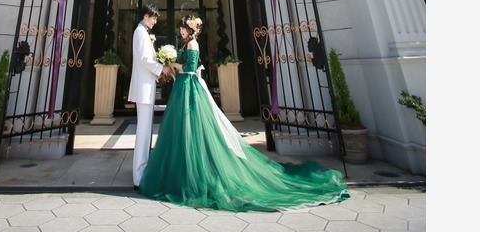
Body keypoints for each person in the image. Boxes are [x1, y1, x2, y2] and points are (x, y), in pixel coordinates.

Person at [138, 15, 349, 211]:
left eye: (183, 28)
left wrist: (171, 63)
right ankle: (181, 170)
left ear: (190, 30)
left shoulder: (192, 44)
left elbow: (190, 68)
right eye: (181, 29)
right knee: (182, 129)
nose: (181, 31)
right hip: (182, 89)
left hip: (190, 88)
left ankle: (197, 171)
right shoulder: (185, 44)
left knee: (194, 126)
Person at [127, 3, 171, 189]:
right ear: (145, 16)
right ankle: (139, 175)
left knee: (146, 131)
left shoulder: (143, 33)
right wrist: (162, 69)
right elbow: (145, 59)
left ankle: (142, 169)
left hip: (147, 88)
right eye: (153, 18)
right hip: (143, 88)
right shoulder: (140, 32)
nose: (155, 21)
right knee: (143, 132)